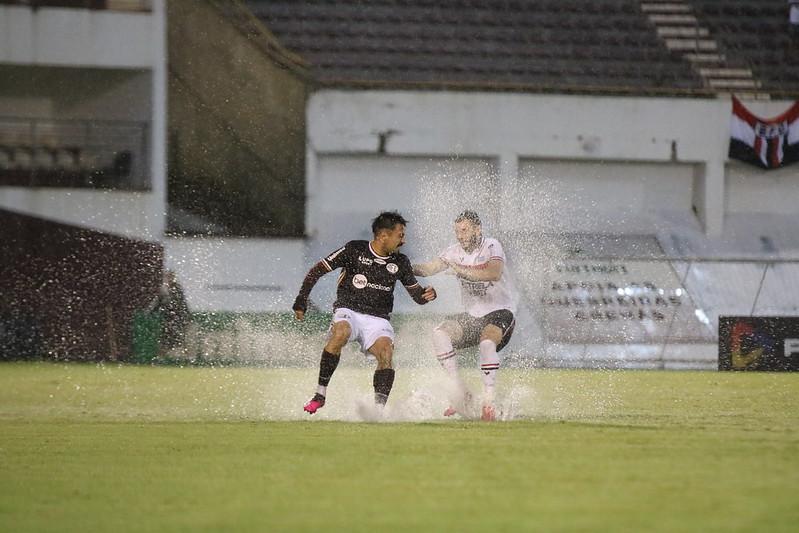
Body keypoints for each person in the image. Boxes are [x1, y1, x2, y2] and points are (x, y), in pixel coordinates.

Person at [293, 211, 437, 415]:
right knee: (340, 333)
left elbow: (417, 296)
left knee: (386, 353)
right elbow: (318, 270)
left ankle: (378, 411)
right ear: (383, 235)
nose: (403, 240)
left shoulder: (401, 262)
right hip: (348, 310)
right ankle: (320, 394)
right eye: (400, 235)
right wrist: (301, 299)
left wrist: (428, 295)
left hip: (378, 319)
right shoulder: (354, 249)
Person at [413, 210, 516, 421]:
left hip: (500, 312)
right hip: (473, 317)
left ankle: (489, 403)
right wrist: (397, 265)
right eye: (457, 231)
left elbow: (494, 273)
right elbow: (428, 269)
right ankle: (460, 393)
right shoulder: (453, 252)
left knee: (487, 344)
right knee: (439, 334)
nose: (460, 236)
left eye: (464, 230)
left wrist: (462, 271)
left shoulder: (491, 245)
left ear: (477, 229)